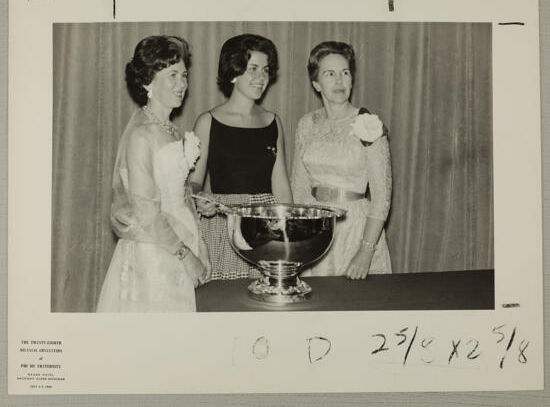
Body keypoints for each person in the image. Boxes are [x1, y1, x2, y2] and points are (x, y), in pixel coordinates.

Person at [97, 35, 210, 312]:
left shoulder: (170, 129)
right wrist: (186, 255)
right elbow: (147, 212)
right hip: (155, 251)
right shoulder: (141, 135)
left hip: (181, 237)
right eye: (172, 75)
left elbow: (177, 194)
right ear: (148, 81)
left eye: (184, 75)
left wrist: (200, 243)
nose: (181, 84)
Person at [190, 33, 292, 280]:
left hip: (265, 228)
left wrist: (288, 233)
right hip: (223, 227)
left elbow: (281, 186)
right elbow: (192, 182)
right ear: (234, 71)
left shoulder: (272, 121)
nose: (261, 78)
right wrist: (200, 196)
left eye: (265, 70)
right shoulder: (207, 122)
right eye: (252, 69)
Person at [291, 41, 392, 279]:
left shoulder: (368, 124)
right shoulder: (307, 124)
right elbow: (299, 187)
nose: (339, 80)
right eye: (330, 74)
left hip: (356, 230)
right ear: (316, 83)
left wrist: (365, 252)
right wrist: (306, 235)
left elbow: (382, 197)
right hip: (316, 229)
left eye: (345, 73)